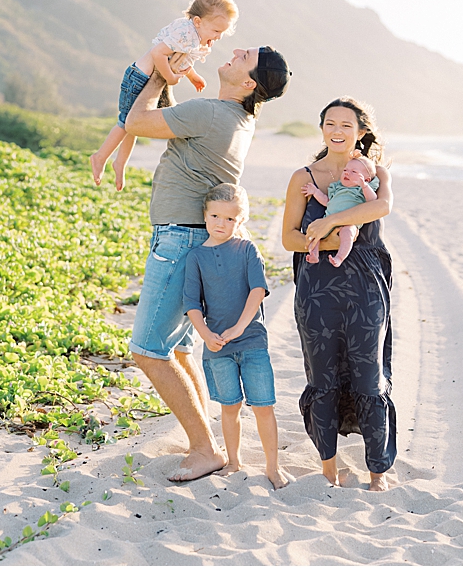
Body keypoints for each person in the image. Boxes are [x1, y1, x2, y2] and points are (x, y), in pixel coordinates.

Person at [125, 44, 290, 483]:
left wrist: (160, 73)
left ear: (249, 81)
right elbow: (180, 122)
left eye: (244, 55)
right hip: (191, 238)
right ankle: (205, 440)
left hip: (178, 238)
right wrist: (171, 77)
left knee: (147, 350)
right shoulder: (235, 118)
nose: (235, 50)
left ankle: (203, 447)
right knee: (179, 348)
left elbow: (135, 121)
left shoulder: (214, 114)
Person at [281, 97, 396, 491]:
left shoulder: (375, 173)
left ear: (361, 133)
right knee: (323, 376)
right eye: (330, 123)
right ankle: (328, 468)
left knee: (369, 376)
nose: (337, 130)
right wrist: (329, 240)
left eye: (346, 125)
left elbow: (380, 209)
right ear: (322, 129)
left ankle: (378, 471)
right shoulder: (302, 178)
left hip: (365, 285)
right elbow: (288, 238)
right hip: (316, 287)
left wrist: (329, 224)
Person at [183, 183, 290, 490]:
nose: (221, 223)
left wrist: (240, 327)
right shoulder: (196, 258)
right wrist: (206, 335)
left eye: (230, 219)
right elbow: (192, 303)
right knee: (229, 407)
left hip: (251, 340)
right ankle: (233, 462)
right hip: (217, 346)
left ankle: (272, 467)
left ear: (240, 220)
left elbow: (258, 290)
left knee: (263, 405)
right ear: (205, 215)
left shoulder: (247, 250)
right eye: (215, 216)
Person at [91, 0, 239, 190]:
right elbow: (158, 53)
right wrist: (170, 77)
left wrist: (193, 77)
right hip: (139, 77)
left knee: (135, 124)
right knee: (126, 122)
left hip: (145, 77)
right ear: (198, 22)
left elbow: (180, 58)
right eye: (215, 31)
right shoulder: (187, 34)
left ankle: (120, 162)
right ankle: (100, 157)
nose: (218, 37)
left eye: (222, 32)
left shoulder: (192, 34)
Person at [300, 154, 379, 267]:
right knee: (316, 232)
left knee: (348, 234)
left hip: (349, 223)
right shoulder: (337, 188)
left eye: (354, 172)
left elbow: (373, 201)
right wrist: (315, 192)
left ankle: (340, 257)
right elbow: (327, 202)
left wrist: (364, 186)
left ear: (366, 179)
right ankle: (314, 254)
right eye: (345, 170)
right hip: (327, 221)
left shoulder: (360, 190)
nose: (347, 173)